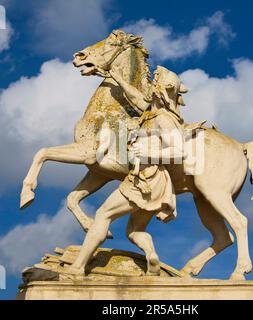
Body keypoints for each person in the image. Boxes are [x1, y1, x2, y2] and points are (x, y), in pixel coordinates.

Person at [67, 65, 189, 276]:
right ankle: (151, 256)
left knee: (103, 215)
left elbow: (179, 151)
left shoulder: (163, 119)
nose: (150, 85)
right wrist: (116, 76)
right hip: (154, 182)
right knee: (134, 231)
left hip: (145, 178)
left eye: (154, 82)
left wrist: (146, 153)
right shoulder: (153, 114)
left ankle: (77, 268)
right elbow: (136, 98)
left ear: (160, 89)